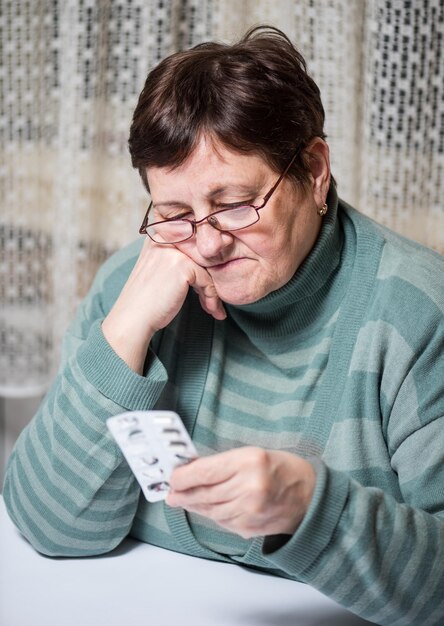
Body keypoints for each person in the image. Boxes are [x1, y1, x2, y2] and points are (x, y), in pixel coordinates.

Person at [3, 25, 444, 625]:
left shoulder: (419, 317)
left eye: (235, 203)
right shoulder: (133, 285)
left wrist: (309, 508)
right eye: (175, 212)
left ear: (314, 170)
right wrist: (126, 329)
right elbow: (48, 525)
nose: (206, 244)